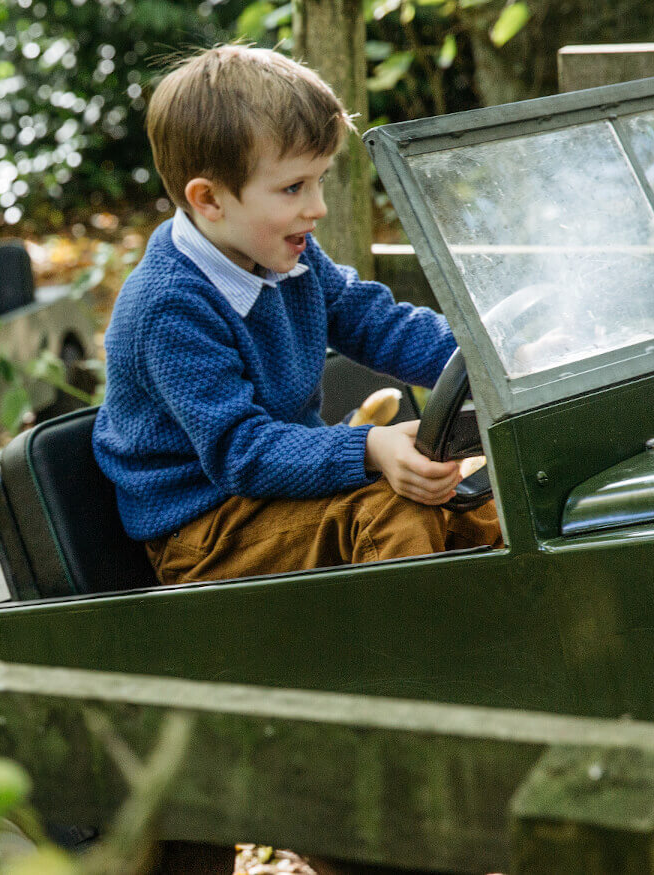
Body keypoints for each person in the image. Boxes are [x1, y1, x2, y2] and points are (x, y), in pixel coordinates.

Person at [92, 45, 502, 586]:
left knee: (476, 500)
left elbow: (376, 322)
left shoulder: (286, 254)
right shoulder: (170, 306)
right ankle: (421, 666)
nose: (318, 207)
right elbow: (242, 451)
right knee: (393, 518)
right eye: (293, 188)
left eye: (320, 180)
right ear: (209, 200)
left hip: (283, 482)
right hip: (206, 526)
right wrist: (371, 447)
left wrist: (493, 356)